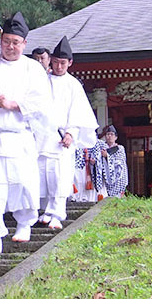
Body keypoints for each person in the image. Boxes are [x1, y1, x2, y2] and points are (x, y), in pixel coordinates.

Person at [0, 12, 51, 258]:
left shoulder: (33, 68)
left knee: (24, 184)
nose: (10, 47)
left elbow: (42, 103)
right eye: (6, 42)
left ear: (24, 44)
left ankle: (25, 224)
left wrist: (15, 104)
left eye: (15, 42)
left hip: (20, 136)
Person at [37, 36, 98, 229]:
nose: (59, 67)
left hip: (62, 137)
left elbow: (78, 112)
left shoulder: (73, 85)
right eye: (55, 62)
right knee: (43, 174)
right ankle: (45, 210)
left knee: (59, 175)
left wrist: (71, 133)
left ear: (70, 63)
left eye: (62, 63)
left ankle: (58, 212)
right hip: (43, 136)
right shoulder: (42, 82)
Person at [89, 125, 128, 198]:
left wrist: (107, 156)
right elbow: (98, 161)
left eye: (112, 134)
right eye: (108, 134)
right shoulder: (101, 147)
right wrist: (93, 162)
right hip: (105, 179)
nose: (109, 136)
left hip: (117, 180)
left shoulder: (120, 148)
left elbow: (119, 163)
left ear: (116, 137)